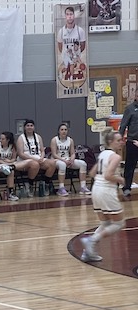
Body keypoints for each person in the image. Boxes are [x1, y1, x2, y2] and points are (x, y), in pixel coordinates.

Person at [80, 131, 126, 262]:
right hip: (106, 191)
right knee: (119, 223)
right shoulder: (115, 157)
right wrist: (120, 179)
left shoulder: (102, 154)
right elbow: (108, 175)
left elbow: (92, 173)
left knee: (105, 223)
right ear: (110, 142)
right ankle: (92, 240)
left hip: (96, 189)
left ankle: (87, 253)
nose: (121, 142)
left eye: (121, 140)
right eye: (118, 140)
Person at [0, 131, 38, 201]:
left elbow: (13, 159)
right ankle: (11, 193)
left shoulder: (13, 146)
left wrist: (9, 162)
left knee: (29, 162)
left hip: (10, 163)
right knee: (11, 171)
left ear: (8, 140)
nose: (0, 140)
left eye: (3, 139)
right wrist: (6, 163)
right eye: (0, 138)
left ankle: (11, 168)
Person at [16, 119, 56, 196]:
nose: (29, 127)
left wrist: (42, 157)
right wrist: (33, 159)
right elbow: (20, 154)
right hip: (25, 160)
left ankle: (46, 184)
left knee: (52, 163)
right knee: (35, 164)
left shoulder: (38, 137)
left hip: (38, 158)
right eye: (28, 126)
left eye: (31, 125)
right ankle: (30, 185)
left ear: (34, 127)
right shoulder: (21, 138)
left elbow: (42, 150)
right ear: (24, 127)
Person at [50, 123, 91, 196]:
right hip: (57, 160)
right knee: (62, 165)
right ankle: (61, 188)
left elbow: (72, 153)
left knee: (83, 164)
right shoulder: (54, 140)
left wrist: (71, 160)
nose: (64, 131)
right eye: (62, 130)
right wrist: (64, 160)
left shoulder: (70, 140)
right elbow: (54, 154)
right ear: (58, 131)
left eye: (65, 130)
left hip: (67, 159)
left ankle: (83, 187)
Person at [119, 90, 138, 200]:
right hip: (132, 141)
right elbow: (123, 125)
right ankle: (126, 188)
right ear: (135, 95)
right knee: (130, 166)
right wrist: (119, 139)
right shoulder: (130, 109)